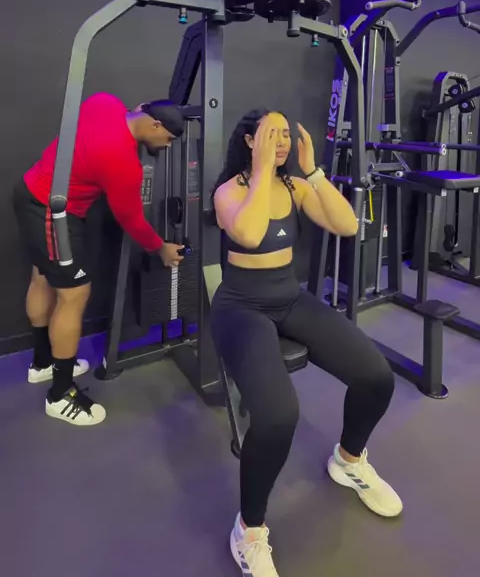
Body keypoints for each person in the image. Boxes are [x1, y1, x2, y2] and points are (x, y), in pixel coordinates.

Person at [210, 109, 402, 577]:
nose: (281, 142)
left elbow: (348, 225)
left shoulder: (295, 187)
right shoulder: (229, 191)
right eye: (270, 134)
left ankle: (348, 461)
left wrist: (313, 171)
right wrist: (261, 170)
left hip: (290, 298)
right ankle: (248, 531)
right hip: (241, 306)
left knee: (376, 376)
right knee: (278, 416)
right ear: (250, 140)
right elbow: (249, 233)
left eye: (285, 134)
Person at [13, 93, 186, 427]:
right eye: (168, 138)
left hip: (31, 191)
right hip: (51, 210)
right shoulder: (123, 162)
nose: (167, 146)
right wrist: (160, 248)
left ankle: (42, 362)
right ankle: (60, 394)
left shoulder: (104, 102)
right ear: (154, 125)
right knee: (75, 294)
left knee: (42, 277)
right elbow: (132, 221)